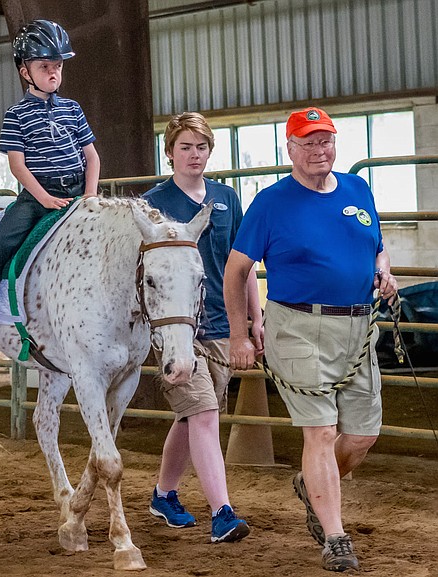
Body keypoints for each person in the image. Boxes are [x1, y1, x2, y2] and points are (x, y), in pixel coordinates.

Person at [224, 107, 398, 572]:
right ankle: (336, 536)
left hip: (359, 327)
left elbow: (376, 246)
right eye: (308, 142)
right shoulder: (270, 203)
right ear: (290, 149)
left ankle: (311, 484)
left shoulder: (359, 189)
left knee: (361, 436)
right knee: (319, 431)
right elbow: (237, 269)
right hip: (298, 326)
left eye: (326, 141)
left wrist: (385, 271)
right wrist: (241, 332)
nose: (319, 150)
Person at [0, 19, 100, 343]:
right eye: (44, 66)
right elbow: (18, 166)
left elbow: (91, 156)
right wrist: (43, 199)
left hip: (79, 191)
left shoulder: (73, 108)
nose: (53, 73)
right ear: (25, 71)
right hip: (36, 195)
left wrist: (91, 195)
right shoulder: (16, 114)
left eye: (57, 66)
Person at [142, 112, 263, 543]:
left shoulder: (227, 197)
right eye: (185, 147)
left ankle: (163, 493)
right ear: (170, 152)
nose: (194, 155)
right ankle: (222, 513)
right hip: (178, 329)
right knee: (206, 414)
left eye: (201, 147)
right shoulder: (152, 204)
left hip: (220, 322)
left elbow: (242, 262)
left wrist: (253, 318)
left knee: (192, 417)